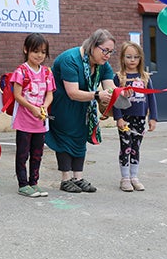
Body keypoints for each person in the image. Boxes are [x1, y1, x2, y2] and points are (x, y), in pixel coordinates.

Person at [45, 29, 116, 193]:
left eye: (111, 52)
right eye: (105, 50)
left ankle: (78, 177)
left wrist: (121, 94)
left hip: (83, 107)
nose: (107, 55)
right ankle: (66, 178)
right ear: (93, 46)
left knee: (80, 139)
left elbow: (111, 88)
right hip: (62, 105)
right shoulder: (70, 59)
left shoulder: (103, 65)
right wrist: (98, 95)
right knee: (64, 139)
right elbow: (72, 92)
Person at [11, 33, 55, 197]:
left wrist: (44, 106)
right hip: (24, 121)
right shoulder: (21, 71)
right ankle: (23, 184)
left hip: (40, 122)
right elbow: (17, 95)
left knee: (37, 154)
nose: (39, 55)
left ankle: (34, 183)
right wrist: (33, 108)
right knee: (23, 153)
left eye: (43, 52)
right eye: (35, 51)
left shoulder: (47, 73)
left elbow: (49, 94)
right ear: (26, 50)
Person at [113, 41, 158, 192]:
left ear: (140, 59)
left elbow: (151, 98)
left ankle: (134, 177)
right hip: (125, 118)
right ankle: (125, 178)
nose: (132, 60)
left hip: (140, 118)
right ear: (122, 58)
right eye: (129, 57)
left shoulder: (145, 77)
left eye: (136, 57)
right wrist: (118, 118)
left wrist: (153, 117)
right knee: (126, 146)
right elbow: (115, 99)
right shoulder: (118, 78)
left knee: (136, 147)